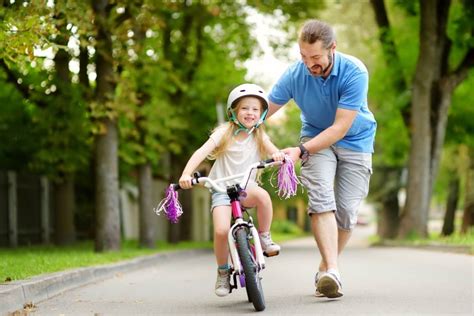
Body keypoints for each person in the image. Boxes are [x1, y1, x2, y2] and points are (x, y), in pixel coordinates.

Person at [267, 19, 376, 298]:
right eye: (303, 56)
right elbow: (264, 109)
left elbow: (340, 128)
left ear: (333, 49)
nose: (309, 64)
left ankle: (326, 268)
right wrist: (237, 124)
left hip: (355, 139)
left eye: (315, 57)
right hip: (315, 139)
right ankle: (332, 272)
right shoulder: (295, 74)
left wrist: (299, 152)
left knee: (347, 212)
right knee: (321, 200)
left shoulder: (354, 71)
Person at [179, 83, 285, 297]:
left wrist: (278, 156)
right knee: (220, 231)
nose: (250, 113)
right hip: (221, 189)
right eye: (245, 108)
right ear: (234, 111)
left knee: (263, 197)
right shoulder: (224, 132)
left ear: (262, 113)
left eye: (255, 109)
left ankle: (264, 236)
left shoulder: (259, 135)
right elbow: (201, 152)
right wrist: (186, 174)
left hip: (247, 187)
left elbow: (275, 152)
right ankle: (223, 272)